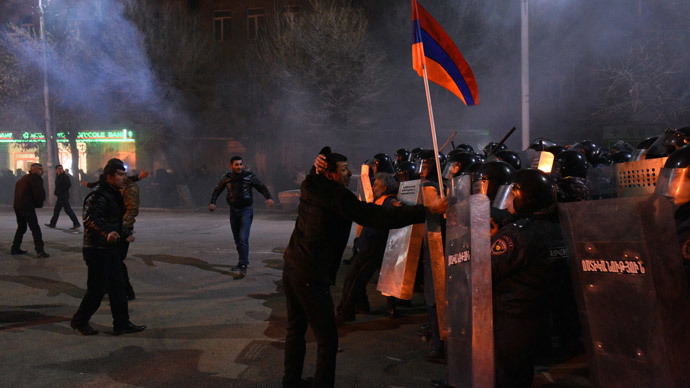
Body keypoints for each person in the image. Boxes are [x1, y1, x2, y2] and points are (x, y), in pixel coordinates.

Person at [282, 148, 447, 388]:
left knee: (295, 329)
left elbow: (314, 176)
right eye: (344, 169)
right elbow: (377, 216)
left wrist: (316, 165)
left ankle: (291, 381)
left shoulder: (311, 185)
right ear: (330, 174)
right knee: (327, 339)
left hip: (292, 266)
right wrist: (427, 210)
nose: (350, 173)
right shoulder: (339, 198)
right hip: (310, 274)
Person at [491, 168, 570, 387]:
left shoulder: (516, 234)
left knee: (504, 375)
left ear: (525, 197)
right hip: (539, 315)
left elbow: (487, 272)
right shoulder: (558, 228)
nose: (507, 203)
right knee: (520, 372)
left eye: (511, 196)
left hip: (510, 318)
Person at [70, 160, 146, 336]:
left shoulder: (114, 193)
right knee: (97, 290)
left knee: (117, 287)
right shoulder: (99, 194)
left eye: (124, 174)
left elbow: (115, 219)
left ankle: (122, 324)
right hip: (97, 249)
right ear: (109, 177)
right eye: (119, 174)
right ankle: (79, 321)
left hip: (110, 248)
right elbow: (90, 217)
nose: (123, 178)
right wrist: (107, 233)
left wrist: (125, 232)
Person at [336, 172, 400, 324]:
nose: (374, 187)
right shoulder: (383, 199)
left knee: (353, 279)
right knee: (361, 278)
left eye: (376, 185)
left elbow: (389, 211)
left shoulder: (389, 200)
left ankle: (344, 313)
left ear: (384, 187)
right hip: (370, 247)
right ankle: (362, 306)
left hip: (372, 248)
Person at [209, 156, 274, 277]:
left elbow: (261, 187)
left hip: (246, 211)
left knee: (243, 238)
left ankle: (243, 265)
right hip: (233, 211)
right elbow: (217, 190)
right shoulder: (227, 178)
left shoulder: (249, 176)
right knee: (237, 239)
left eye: (240, 164)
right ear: (231, 166)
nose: (239, 167)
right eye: (236, 165)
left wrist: (268, 197)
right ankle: (241, 262)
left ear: (243, 165)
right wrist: (212, 202)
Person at [11, 163, 49, 258]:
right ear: (34, 170)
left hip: (18, 206)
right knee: (35, 229)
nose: (42, 171)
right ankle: (39, 250)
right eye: (40, 169)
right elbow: (38, 193)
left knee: (21, 228)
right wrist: (40, 203)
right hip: (27, 206)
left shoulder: (23, 179)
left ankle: (15, 248)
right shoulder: (35, 178)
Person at [45, 165, 81, 229]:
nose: (61, 169)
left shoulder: (65, 176)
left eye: (61, 168)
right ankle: (53, 223)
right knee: (57, 210)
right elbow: (57, 186)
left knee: (67, 210)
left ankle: (76, 223)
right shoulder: (58, 176)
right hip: (60, 196)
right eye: (59, 168)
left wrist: (60, 191)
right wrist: (56, 192)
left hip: (63, 196)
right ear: (56, 170)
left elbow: (68, 185)